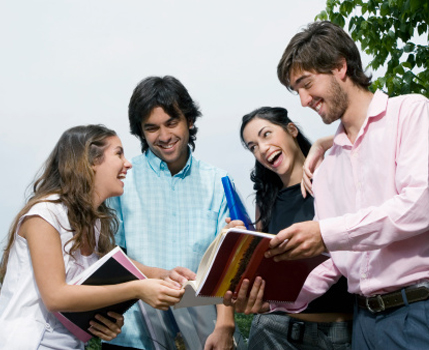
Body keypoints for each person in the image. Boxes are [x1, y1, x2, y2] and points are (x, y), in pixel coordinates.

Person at [225, 21, 429, 350]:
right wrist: (271, 300)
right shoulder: (328, 167)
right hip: (364, 326)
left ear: (340, 66)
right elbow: (333, 262)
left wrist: (325, 233)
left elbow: (421, 207)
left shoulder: (412, 113)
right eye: (295, 90)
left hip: (424, 314)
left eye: (306, 84)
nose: (303, 100)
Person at [0, 124, 190, 350]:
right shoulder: (45, 215)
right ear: (90, 161)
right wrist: (138, 288)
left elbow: (116, 264)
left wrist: (163, 275)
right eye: (118, 153)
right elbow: (55, 297)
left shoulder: (94, 222)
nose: (128, 163)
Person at [103, 76, 244, 350]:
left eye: (172, 123)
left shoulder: (219, 181)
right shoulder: (121, 181)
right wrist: (156, 275)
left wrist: (225, 325)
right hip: (133, 333)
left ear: (189, 121)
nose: (164, 136)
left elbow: (228, 262)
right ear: (141, 132)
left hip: (205, 333)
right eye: (152, 128)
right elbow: (109, 254)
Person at [240, 106, 353, 350]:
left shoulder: (333, 173)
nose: (261, 149)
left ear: (291, 129)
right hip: (278, 332)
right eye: (252, 146)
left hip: (343, 331)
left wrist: (322, 143)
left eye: (266, 134)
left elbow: (368, 138)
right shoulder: (266, 202)